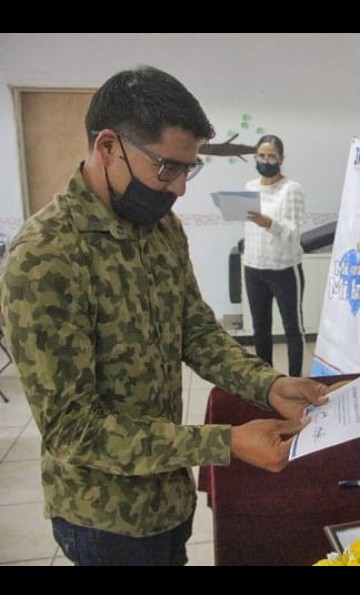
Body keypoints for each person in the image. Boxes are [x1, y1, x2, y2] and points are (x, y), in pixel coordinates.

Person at [0, 66, 328, 566]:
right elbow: (74, 430)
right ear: (108, 147)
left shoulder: (159, 228)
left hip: (169, 496)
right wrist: (224, 442)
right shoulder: (46, 256)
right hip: (105, 518)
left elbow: (195, 330)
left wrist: (268, 385)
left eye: (187, 170)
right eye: (167, 168)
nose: (178, 190)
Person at [244, 134, 307, 377]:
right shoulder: (250, 187)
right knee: (260, 328)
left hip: (284, 269)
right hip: (253, 267)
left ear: (281, 159)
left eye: (271, 156)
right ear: (255, 157)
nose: (266, 161)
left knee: (293, 328)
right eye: (261, 156)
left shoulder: (292, 189)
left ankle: (295, 381)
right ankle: (267, 382)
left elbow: (293, 233)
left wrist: (269, 223)